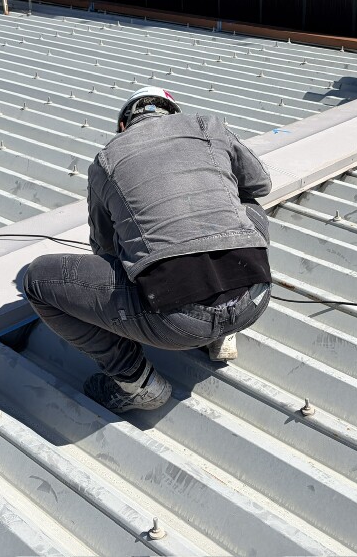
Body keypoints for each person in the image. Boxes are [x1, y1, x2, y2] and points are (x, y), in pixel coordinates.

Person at [23, 87, 273, 413]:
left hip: (177, 324)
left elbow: (104, 249)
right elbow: (261, 185)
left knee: (37, 281)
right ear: (174, 112)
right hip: (254, 297)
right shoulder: (207, 125)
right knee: (245, 203)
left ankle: (137, 382)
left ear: (124, 126)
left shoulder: (106, 160)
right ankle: (220, 335)